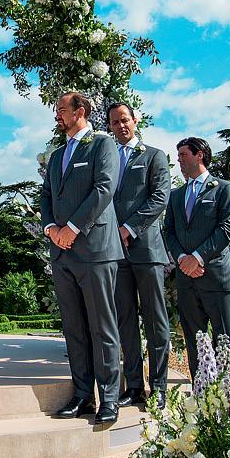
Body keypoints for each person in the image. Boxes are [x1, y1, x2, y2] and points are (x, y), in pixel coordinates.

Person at [40, 92, 124, 426]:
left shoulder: (103, 145)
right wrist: (51, 228)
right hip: (62, 252)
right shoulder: (56, 155)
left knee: (102, 326)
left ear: (80, 112)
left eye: (62, 109)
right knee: (74, 327)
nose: (57, 115)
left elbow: (104, 189)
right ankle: (82, 395)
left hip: (95, 250)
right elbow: (46, 194)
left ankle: (110, 397)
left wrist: (72, 228)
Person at [108, 103, 171, 410]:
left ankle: (158, 387)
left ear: (135, 120)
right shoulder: (107, 158)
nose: (120, 126)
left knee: (155, 320)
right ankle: (134, 386)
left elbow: (159, 198)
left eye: (125, 120)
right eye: (114, 122)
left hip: (146, 250)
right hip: (115, 253)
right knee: (125, 321)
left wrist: (128, 229)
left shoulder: (154, 156)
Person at [163, 136, 230, 378]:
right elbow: (169, 231)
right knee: (195, 342)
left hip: (217, 278)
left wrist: (197, 258)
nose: (179, 160)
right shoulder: (176, 195)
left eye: (183, 155)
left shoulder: (224, 189)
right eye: (178, 156)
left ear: (199, 155)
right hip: (186, 281)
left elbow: (228, 228)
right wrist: (182, 259)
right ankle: (201, 391)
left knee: (226, 343)